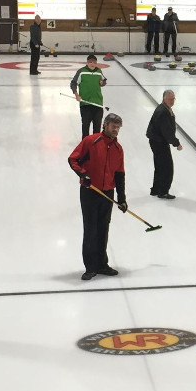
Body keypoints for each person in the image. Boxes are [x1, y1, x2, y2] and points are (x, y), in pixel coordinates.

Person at [67, 113, 127, 281]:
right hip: (90, 192)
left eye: (118, 127)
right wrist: (83, 174)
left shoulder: (118, 149)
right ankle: (90, 267)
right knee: (91, 229)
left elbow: (120, 174)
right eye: (113, 126)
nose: (116, 130)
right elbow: (73, 159)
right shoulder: (91, 141)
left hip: (107, 193)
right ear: (105, 125)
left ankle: (102, 264)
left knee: (103, 229)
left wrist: (121, 198)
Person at [146, 88, 183, 199]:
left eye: (173, 99)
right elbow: (167, 131)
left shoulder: (164, 108)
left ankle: (156, 189)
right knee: (167, 168)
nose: (172, 101)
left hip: (156, 140)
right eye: (170, 99)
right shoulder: (163, 111)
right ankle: (163, 191)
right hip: (159, 142)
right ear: (164, 99)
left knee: (159, 166)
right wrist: (176, 143)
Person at [71, 53, 107, 137]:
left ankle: (96, 147)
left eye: (94, 62)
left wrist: (103, 83)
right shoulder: (81, 71)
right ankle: (85, 146)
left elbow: (104, 81)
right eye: (90, 62)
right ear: (87, 62)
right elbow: (73, 83)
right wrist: (76, 95)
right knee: (85, 128)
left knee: (97, 130)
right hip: (85, 104)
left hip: (98, 103)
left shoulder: (99, 71)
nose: (92, 64)